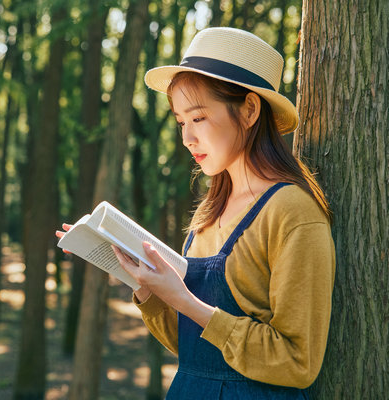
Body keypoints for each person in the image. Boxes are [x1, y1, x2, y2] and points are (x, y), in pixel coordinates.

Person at [57, 27, 335, 399]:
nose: (187, 138)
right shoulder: (207, 214)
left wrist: (188, 302)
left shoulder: (292, 211)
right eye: (180, 122)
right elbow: (195, 349)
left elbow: (298, 362)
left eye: (199, 118)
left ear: (250, 110)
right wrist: (148, 289)